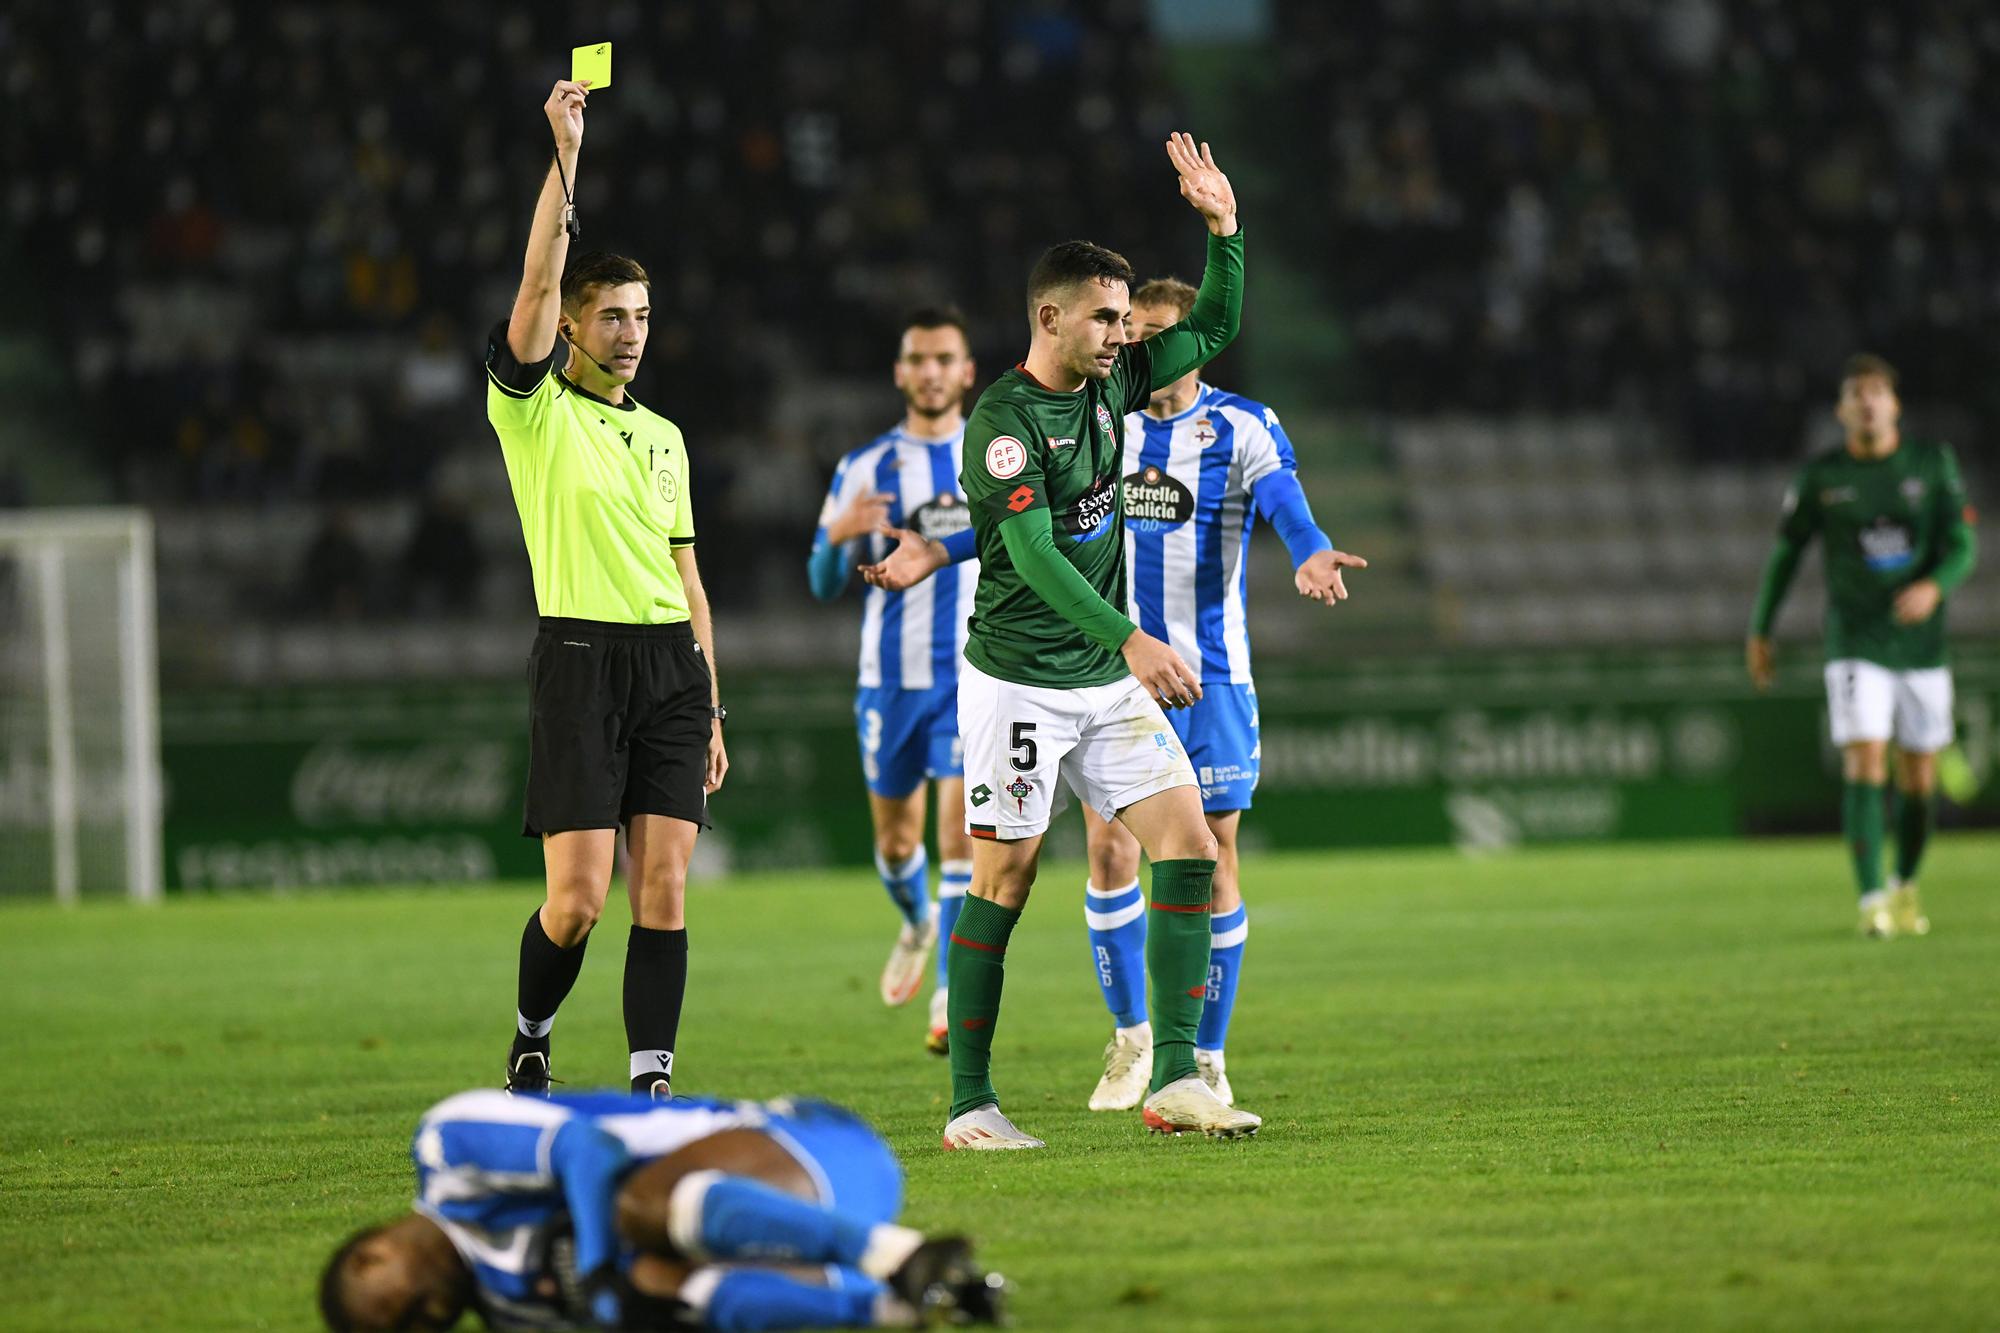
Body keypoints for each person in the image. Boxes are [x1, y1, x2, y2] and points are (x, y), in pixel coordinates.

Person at [862, 134, 1259, 1147]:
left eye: (1128, 321)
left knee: (1188, 850)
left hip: (1101, 677)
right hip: (1020, 688)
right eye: (1104, 318)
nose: (1123, 336)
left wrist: (1222, 227)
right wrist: (1131, 638)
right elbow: (1032, 555)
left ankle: (1174, 1074)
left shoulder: (1111, 385)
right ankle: (968, 1106)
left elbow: (1213, 319)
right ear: (1048, 317)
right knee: (1006, 878)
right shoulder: (1000, 419)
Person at [484, 79, 728, 1099]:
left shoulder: (663, 434)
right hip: (579, 661)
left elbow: (687, 573)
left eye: (640, 315)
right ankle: (533, 1031)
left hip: (670, 663)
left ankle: (650, 1083)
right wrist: (565, 154)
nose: (630, 331)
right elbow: (537, 280)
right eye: (611, 315)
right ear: (573, 327)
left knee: (663, 888)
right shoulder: (535, 413)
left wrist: (710, 694)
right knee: (580, 900)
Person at [1073, 276, 1367, 1113]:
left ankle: (1203, 1054)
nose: (1143, 347)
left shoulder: (1242, 423)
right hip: (1117, 679)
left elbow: (1282, 496)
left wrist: (1310, 550)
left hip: (1213, 681)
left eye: (1160, 332)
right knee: (1109, 853)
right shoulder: (1103, 422)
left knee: (1213, 860)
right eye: (1133, 333)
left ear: (1197, 339)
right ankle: (1132, 1036)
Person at [318, 1089, 1004, 1331]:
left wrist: (593, 1270)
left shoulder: (445, 1148)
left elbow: (586, 1149)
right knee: (651, 1291)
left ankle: (899, 1256)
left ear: (371, 1253)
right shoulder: (507, 1306)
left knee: (628, 1212)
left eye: (398, 1313)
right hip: (805, 1236)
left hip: (809, 1146)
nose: (428, 1320)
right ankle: (913, 1301)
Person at [1747, 353, 1977, 937]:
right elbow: (1785, 555)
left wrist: (1934, 585)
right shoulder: (1822, 478)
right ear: (1842, 410)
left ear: (1895, 404)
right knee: (1866, 758)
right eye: (1857, 393)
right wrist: (1760, 628)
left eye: (1878, 392)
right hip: (1854, 641)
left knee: (1919, 779)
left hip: (1921, 646)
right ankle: (1870, 898)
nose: (1868, 401)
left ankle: (1904, 886)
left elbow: (1962, 543)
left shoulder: (1932, 463)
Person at [807, 310, 980, 1052]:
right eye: (919, 359)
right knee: (896, 841)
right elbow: (820, 583)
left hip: (974, 677)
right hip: (889, 682)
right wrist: (837, 539)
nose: (933, 371)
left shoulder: (994, 454)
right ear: (900, 373)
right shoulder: (866, 467)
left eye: (945, 358)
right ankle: (917, 921)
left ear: (967, 371)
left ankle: (947, 994)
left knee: (959, 838)